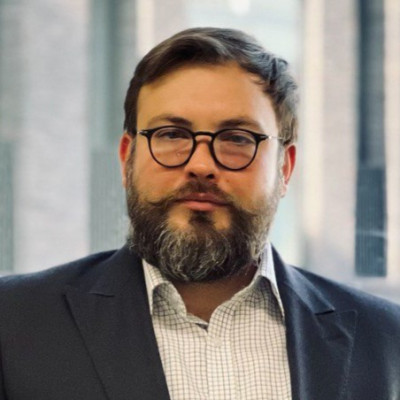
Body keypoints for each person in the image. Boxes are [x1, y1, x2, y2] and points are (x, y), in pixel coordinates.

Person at [0, 27, 399, 400]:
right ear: (126, 160)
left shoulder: (387, 341)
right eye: (172, 134)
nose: (201, 165)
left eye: (237, 138)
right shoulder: (13, 323)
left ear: (285, 168)